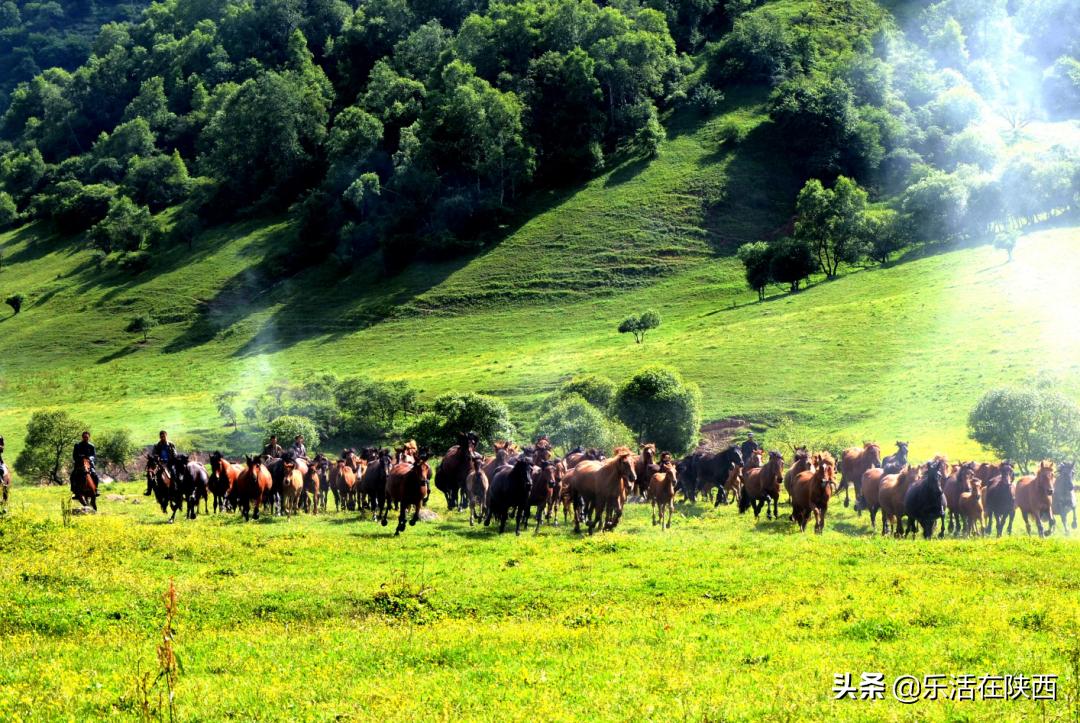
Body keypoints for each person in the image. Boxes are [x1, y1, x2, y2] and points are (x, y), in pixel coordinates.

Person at [148, 430, 178, 495]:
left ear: (166, 436)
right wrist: (156, 457)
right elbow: (153, 454)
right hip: (160, 464)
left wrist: (173, 456)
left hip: (169, 463)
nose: (163, 438)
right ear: (160, 437)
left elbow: (175, 454)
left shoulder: (171, 445)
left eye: (164, 436)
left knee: (175, 473)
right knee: (150, 474)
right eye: (161, 437)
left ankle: (177, 489)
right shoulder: (157, 445)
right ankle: (149, 490)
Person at [72, 430, 100, 497]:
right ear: (82, 437)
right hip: (79, 464)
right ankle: (74, 491)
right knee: (72, 476)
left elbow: (93, 455)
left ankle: (96, 489)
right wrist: (80, 457)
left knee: (95, 475)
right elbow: (74, 456)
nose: (85, 438)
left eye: (87, 437)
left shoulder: (91, 446)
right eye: (84, 437)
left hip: (89, 464)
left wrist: (89, 459)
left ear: (89, 437)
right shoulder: (77, 445)